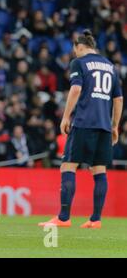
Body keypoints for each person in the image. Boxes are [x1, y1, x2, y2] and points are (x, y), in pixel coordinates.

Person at [38, 30, 123, 229]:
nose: (74, 53)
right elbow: (118, 99)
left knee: (68, 165)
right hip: (104, 126)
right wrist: (115, 125)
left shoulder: (80, 62)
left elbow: (75, 89)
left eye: (74, 49)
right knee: (99, 170)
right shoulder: (111, 67)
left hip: (84, 122)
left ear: (80, 47)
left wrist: (66, 116)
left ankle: (64, 217)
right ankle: (95, 219)